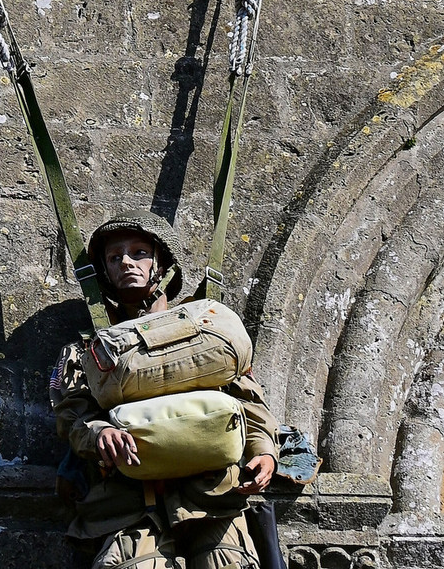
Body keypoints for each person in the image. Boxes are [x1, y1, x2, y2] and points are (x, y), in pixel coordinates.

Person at [50, 210, 280, 569]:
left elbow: (248, 401)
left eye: (139, 252)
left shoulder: (206, 334)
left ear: (163, 264)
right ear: (105, 273)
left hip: (214, 497)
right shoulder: (88, 351)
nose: (126, 261)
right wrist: (100, 433)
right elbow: (72, 416)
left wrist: (264, 452)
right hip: (129, 503)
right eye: (114, 257)